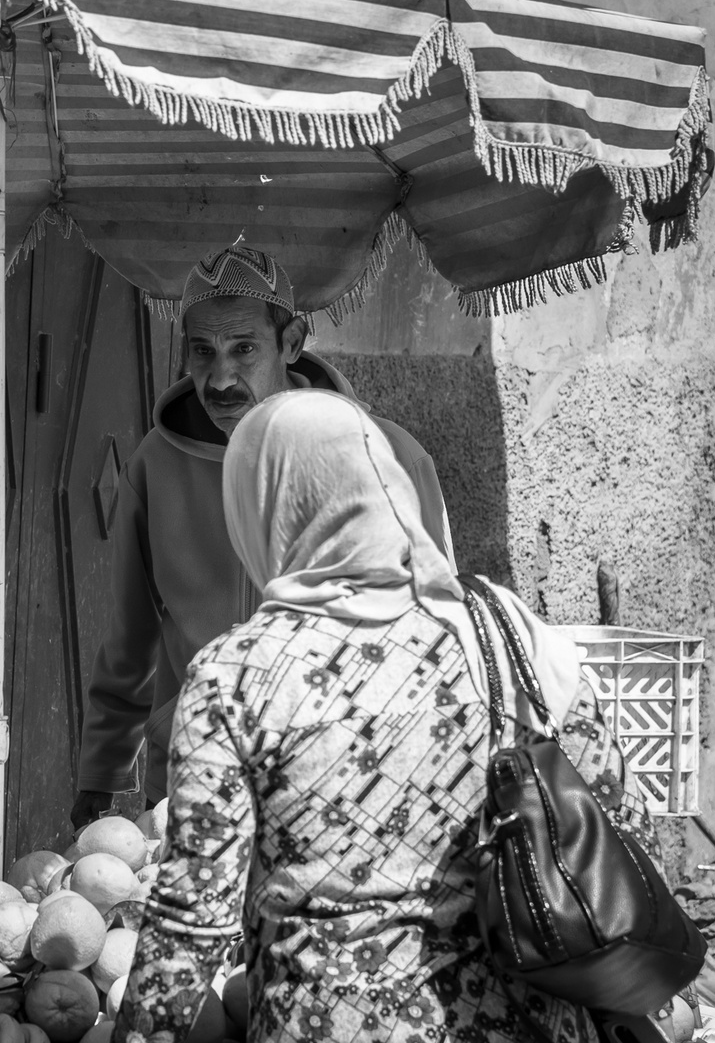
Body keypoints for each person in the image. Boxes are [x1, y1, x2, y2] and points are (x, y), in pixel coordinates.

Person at [113, 388, 660, 1043]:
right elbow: (624, 834)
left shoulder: (237, 676)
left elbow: (189, 925)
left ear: (260, 505)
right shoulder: (515, 638)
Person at [71, 242, 455, 827]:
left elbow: (438, 622)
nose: (219, 377)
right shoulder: (155, 464)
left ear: (293, 342)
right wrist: (101, 774)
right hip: (191, 782)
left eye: (243, 349)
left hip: (344, 781)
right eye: (202, 351)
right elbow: (130, 638)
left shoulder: (388, 456)